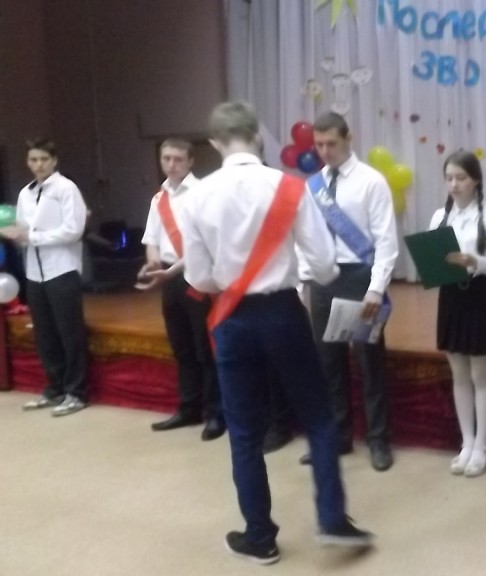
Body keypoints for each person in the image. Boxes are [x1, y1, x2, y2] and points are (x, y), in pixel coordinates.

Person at [178, 101, 373, 564]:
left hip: (233, 319)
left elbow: (198, 279)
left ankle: (260, 536)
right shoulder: (289, 187)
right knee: (319, 418)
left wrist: (230, 277)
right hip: (284, 313)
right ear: (257, 136)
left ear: (215, 143)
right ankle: (332, 519)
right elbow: (323, 266)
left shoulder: (196, 197)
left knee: (245, 432)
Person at [299, 111, 399, 472]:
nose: (325, 151)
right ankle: (338, 437)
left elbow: (386, 241)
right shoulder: (313, 186)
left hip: (360, 278)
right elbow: (305, 238)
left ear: (348, 138)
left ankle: (378, 439)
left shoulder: (371, 182)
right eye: (319, 145)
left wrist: (376, 289)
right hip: (322, 280)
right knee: (328, 365)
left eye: (332, 143)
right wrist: (303, 282)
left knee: (369, 364)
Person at [428, 151, 486, 477]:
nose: (454, 184)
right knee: (459, 374)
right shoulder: (439, 216)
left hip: (478, 295)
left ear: (476, 179)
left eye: (461, 177)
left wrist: (477, 262)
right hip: (450, 297)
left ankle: (482, 445)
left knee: (480, 374)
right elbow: (431, 260)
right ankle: (466, 443)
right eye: (449, 178)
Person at [136, 139, 224, 441]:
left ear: (190, 161)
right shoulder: (158, 198)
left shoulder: (203, 193)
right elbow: (151, 239)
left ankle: (215, 413)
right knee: (181, 346)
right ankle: (189, 408)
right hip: (168, 279)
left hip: (197, 277)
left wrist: (171, 269)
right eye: (166, 158)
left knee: (204, 348)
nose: (171, 164)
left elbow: (206, 244)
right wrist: (152, 262)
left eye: (177, 159)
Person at [1, 138, 89, 417]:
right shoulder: (25, 193)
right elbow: (23, 229)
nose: (38, 165)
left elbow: (73, 230)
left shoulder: (66, 188)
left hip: (62, 269)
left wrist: (33, 237)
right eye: (33, 160)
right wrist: (13, 233)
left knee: (69, 333)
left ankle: (76, 392)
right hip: (34, 272)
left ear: (54, 161)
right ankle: (55, 389)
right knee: (45, 334)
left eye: (43, 159)